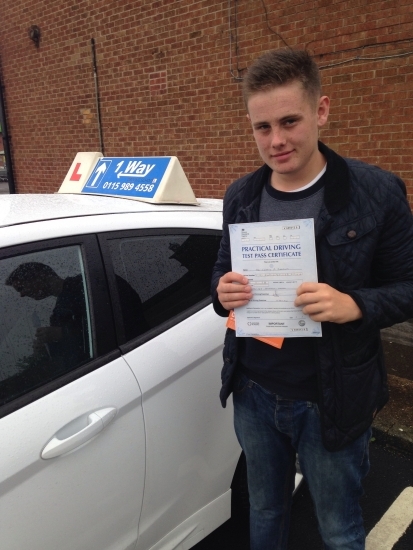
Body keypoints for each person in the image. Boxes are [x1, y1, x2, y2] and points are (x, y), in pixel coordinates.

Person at [211, 49, 413, 550]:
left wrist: (356, 305)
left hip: (331, 399)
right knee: (264, 509)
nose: (276, 140)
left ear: (321, 111)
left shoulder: (376, 192)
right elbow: (220, 275)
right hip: (254, 392)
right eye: (262, 127)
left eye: (289, 121)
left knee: (339, 527)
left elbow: (409, 286)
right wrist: (221, 293)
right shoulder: (241, 195)